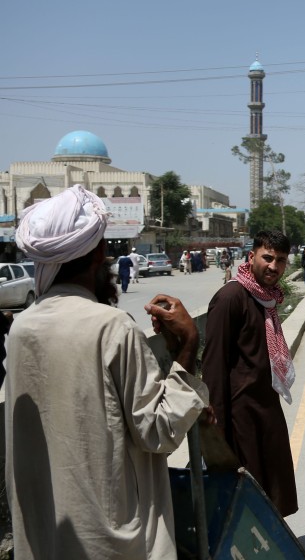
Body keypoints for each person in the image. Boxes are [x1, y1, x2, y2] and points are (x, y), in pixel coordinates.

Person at [6, 184, 209, 559]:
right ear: (100, 251)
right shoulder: (112, 327)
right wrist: (187, 347)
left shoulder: (22, 328)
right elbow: (158, 432)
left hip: (44, 539)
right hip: (109, 542)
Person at [203, 229, 298, 516]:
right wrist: (217, 429)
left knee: (272, 488)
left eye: (280, 260)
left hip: (265, 408)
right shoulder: (232, 297)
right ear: (251, 256)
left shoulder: (267, 298)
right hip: (239, 414)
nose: (273, 266)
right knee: (246, 494)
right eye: (267, 258)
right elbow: (214, 365)